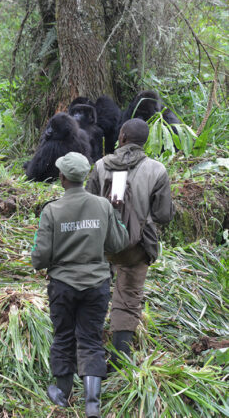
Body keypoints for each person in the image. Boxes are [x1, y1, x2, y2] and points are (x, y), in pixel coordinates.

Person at [32, 152, 128, 418]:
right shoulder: (103, 205)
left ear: (62, 177)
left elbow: (40, 257)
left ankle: (61, 393)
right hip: (97, 285)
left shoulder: (51, 210)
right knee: (90, 339)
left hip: (62, 286)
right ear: (85, 177)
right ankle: (92, 403)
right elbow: (118, 243)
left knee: (63, 337)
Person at [86, 118, 175, 368]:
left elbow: (88, 204)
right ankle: (119, 359)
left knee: (94, 290)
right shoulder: (157, 170)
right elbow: (163, 215)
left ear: (122, 136)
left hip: (101, 245)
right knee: (128, 297)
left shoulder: (101, 166)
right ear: (144, 142)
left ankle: (89, 350)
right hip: (136, 248)